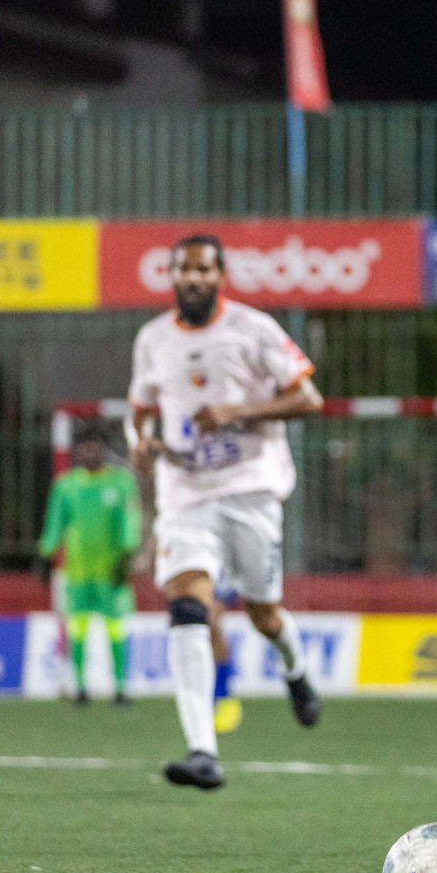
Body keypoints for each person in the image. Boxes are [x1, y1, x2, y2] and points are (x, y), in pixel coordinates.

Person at [127, 234, 324, 790]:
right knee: (187, 603)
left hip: (251, 488)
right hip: (185, 492)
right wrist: (139, 442)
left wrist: (239, 410)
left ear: (220, 275)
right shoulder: (152, 340)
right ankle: (202, 750)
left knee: (264, 614)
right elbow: (139, 411)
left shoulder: (254, 329)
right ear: (171, 277)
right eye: (182, 270)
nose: (192, 279)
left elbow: (308, 399)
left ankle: (296, 668)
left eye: (203, 269)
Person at [35, 423, 141, 705]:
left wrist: (126, 555)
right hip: (78, 572)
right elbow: (55, 523)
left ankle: (120, 687)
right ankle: (80, 687)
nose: (90, 451)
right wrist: (46, 553)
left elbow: (130, 522)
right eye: (85, 446)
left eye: (95, 446)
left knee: (116, 629)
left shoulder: (121, 482)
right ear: (78, 451)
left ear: (104, 450)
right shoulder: (66, 485)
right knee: (77, 629)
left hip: (112, 572)